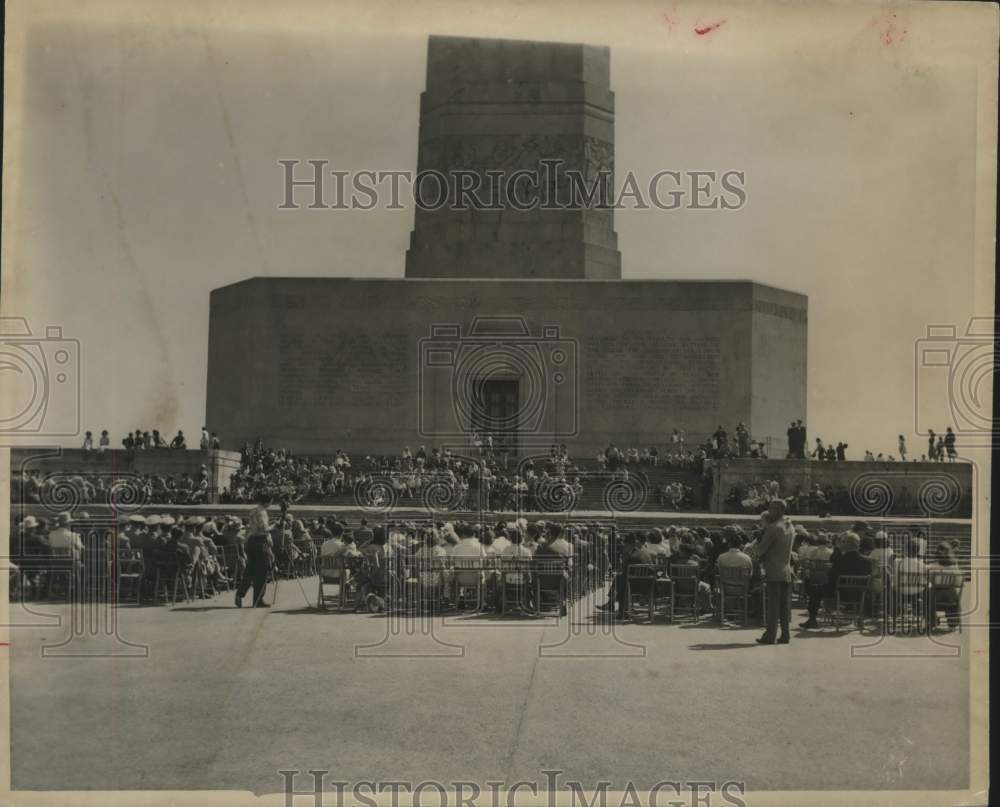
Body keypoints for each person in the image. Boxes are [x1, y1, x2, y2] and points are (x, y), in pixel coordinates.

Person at [755, 498, 795, 644]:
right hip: (786, 569)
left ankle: (770, 635)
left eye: (772, 508)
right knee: (784, 606)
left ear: (779, 510)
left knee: (773, 606)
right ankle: (785, 635)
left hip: (773, 569)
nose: (769, 511)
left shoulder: (773, 528)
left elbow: (760, 550)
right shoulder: (789, 525)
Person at [236, 495, 274, 607]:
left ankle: (240, 594)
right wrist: (275, 526)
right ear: (268, 501)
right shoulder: (262, 512)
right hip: (260, 541)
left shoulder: (253, 510)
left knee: (250, 570)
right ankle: (258, 599)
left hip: (252, 540)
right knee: (262, 571)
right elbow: (263, 528)